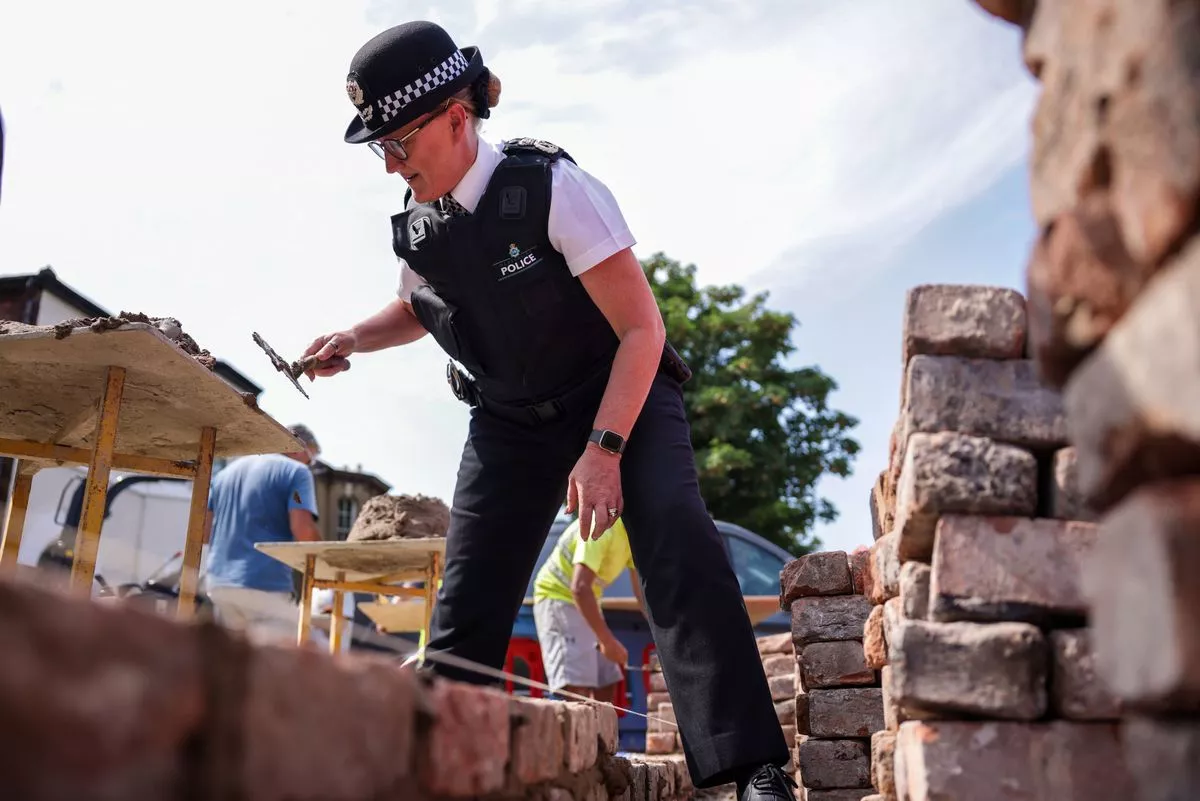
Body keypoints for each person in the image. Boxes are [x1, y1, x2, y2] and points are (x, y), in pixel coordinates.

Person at [302, 21, 794, 800]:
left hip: (617, 391)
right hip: (508, 421)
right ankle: (438, 769)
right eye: (380, 150)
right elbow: (416, 308)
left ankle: (751, 767)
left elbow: (643, 328)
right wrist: (353, 339)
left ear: (458, 117)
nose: (391, 163)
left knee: (674, 535)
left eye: (400, 142)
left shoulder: (551, 188)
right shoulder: (419, 221)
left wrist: (604, 450)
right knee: (471, 593)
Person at [202, 423, 325, 647]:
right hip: (263, 584)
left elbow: (204, 532)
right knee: (283, 664)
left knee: (233, 663)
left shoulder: (225, 474)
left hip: (219, 584)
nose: (310, 465)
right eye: (311, 458)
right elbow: (303, 529)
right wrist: (327, 562)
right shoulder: (296, 471)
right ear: (299, 448)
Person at [532, 516, 645, 705]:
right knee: (578, 688)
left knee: (607, 679)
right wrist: (606, 640)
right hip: (558, 598)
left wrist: (664, 635)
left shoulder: (633, 535)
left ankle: (598, 735)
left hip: (587, 601)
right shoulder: (603, 525)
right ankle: (578, 734)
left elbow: (642, 595)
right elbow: (579, 588)